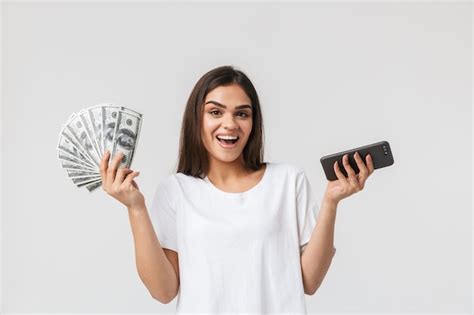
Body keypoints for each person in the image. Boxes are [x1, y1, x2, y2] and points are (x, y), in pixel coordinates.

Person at [99, 65, 374, 314]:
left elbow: (309, 282)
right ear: (197, 119)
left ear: (253, 123)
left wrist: (330, 203)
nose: (230, 124)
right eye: (215, 112)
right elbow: (163, 291)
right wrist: (135, 208)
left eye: (241, 113)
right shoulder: (176, 190)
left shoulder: (288, 181)